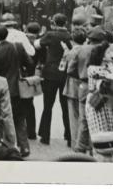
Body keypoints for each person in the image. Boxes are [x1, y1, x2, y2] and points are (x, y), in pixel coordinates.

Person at [0, 24, 34, 158]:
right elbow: (30, 64)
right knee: (20, 118)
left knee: (3, 118)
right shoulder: (19, 47)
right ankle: (24, 145)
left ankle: (7, 147)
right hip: (17, 88)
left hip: (2, 89)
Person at [36, 13, 72, 146]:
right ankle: (69, 136)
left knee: (47, 106)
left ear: (54, 23)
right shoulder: (70, 36)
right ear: (65, 23)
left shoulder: (50, 35)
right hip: (65, 74)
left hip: (50, 73)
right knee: (66, 107)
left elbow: (37, 45)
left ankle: (45, 136)